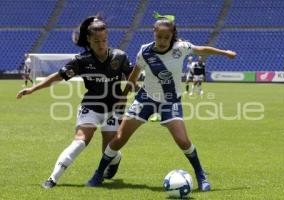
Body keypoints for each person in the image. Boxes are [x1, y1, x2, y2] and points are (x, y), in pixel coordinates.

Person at [86, 13, 236, 191]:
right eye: (159, 37)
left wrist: (225, 53)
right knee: (118, 139)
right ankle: (98, 173)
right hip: (145, 99)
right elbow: (134, 74)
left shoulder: (181, 48)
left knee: (183, 141)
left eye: (167, 37)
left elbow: (202, 49)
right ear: (153, 34)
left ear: (172, 36)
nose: (163, 40)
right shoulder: (145, 51)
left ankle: (201, 174)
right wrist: (124, 94)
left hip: (170, 101)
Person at [16, 16, 133, 189]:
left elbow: (133, 79)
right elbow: (56, 77)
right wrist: (32, 89)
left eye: (104, 40)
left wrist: (127, 96)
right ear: (88, 40)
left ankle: (116, 159)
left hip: (113, 110)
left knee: (108, 151)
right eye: (96, 41)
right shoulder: (81, 61)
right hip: (91, 107)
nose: (101, 45)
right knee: (79, 141)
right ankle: (52, 179)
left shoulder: (119, 57)